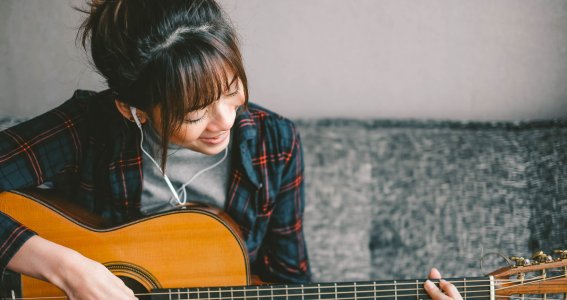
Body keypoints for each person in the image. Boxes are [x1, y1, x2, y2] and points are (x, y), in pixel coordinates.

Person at [0, 0, 463, 299]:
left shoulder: (272, 142)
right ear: (133, 109)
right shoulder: (90, 128)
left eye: (231, 88)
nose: (226, 120)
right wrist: (67, 268)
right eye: (194, 113)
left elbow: (288, 284)